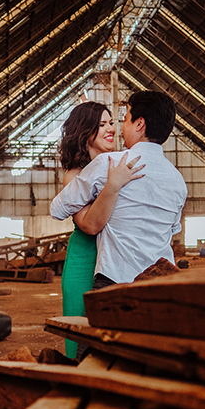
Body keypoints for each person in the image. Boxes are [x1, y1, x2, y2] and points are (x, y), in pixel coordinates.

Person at [51, 90, 187, 291]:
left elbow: (57, 209)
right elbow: (173, 229)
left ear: (139, 124)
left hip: (116, 277)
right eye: (102, 124)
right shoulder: (178, 180)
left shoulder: (109, 163)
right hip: (159, 281)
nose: (117, 129)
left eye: (122, 121)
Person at [55, 101, 145, 358]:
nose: (111, 129)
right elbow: (88, 225)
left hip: (118, 256)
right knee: (80, 329)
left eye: (112, 123)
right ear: (85, 133)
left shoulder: (121, 165)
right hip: (85, 258)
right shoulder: (74, 175)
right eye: (102, 124)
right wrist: (113, 185)